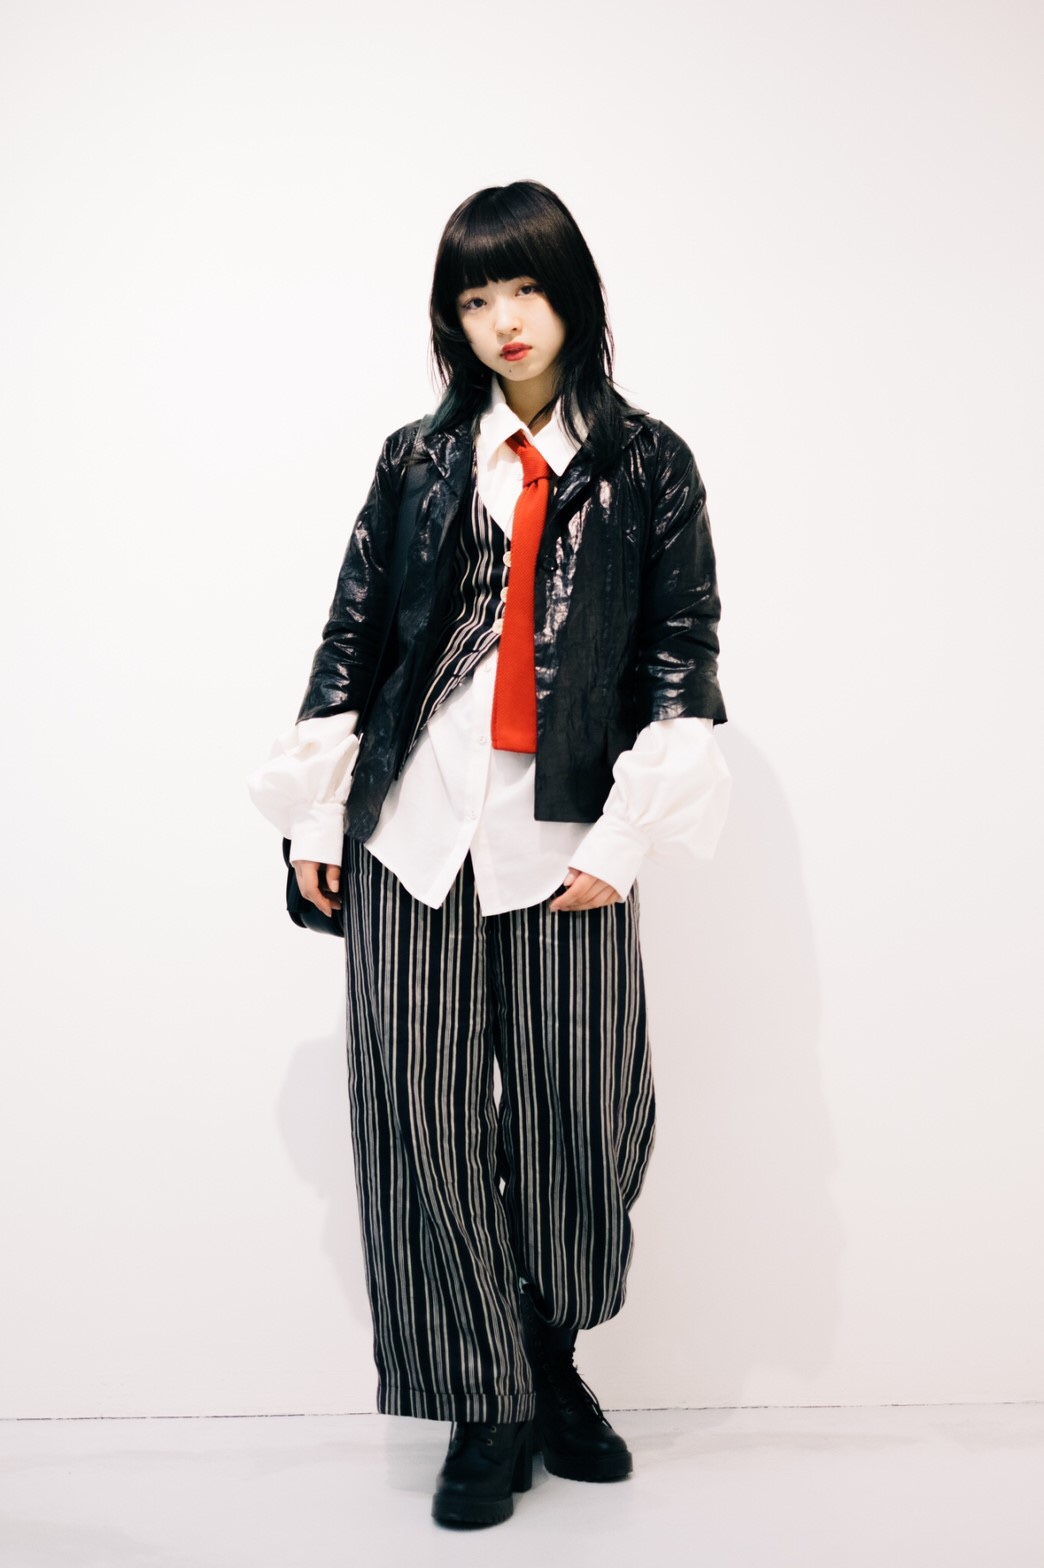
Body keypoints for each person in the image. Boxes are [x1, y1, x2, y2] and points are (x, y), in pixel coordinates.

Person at [247, 179, 732, 1530]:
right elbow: (353, 638)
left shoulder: (648, 465)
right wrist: (316, 818)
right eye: (474, 297)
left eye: (524, 287)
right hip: (413, 838)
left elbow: (681, 654)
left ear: (573, 297)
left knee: (588, 1116)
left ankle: (546, 1347)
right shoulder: (417, 462)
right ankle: (489, 1401)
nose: (504, 319)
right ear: (449, 320)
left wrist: (628, 836)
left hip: (569, 845)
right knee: (426, 1121)